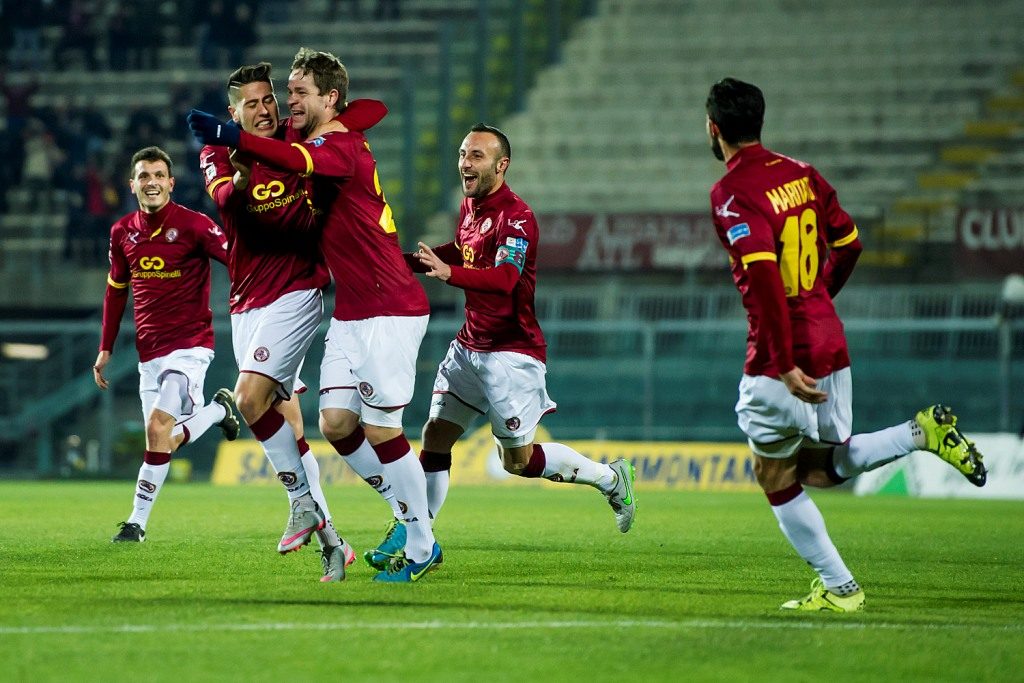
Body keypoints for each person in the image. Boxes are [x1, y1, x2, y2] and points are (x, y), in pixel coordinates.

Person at [705, 78, 987, 612]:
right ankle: (918, 432)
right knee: (816, 468)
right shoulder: (802, 173)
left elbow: (764, 278)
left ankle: (841, 588)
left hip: (780, 352)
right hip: (829, 338)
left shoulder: (732, 191)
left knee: (773, 474)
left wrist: (783, 360)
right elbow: (851, 244)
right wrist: (818, 298)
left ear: (714, 128)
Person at [188, 48, 440, 582]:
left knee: (376, 428)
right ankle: (380, 521)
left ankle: (420, 541)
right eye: (265, 100)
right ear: (234, 110)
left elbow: (356, 121)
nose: (279, 106)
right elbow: (229, 200)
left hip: (362, 303)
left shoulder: (328, 145)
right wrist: (237, 148)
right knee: (336, 424)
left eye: (287, 96)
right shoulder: (291, 138)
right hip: (330, 306)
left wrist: (239, 138)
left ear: (327, 98)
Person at [405, 124, 637, 554]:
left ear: (502, 165)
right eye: (463, 153)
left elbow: (506, 278)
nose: (465, 163)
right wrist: (404, 263)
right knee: (435, 434)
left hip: (511, 353)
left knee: (518, 462)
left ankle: (610, 478)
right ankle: (417, 534)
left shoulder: (517, 217)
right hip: (470, 345)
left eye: (477, 155)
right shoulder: (470, 206)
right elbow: (462, 251)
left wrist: (449, 274)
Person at [94, 146, 240, 543]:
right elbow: (116, 290)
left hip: (191, 346)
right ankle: (217, 411)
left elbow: (238, 261)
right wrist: (106, 346)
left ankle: (136, 524)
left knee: (159, 426)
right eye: (144, 175)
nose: (152, 182)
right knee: (162, 439)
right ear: (132, 184)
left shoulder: (195, 225)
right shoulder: (122, 231)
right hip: (149, 354)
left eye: (159, 175)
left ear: (171, 183)